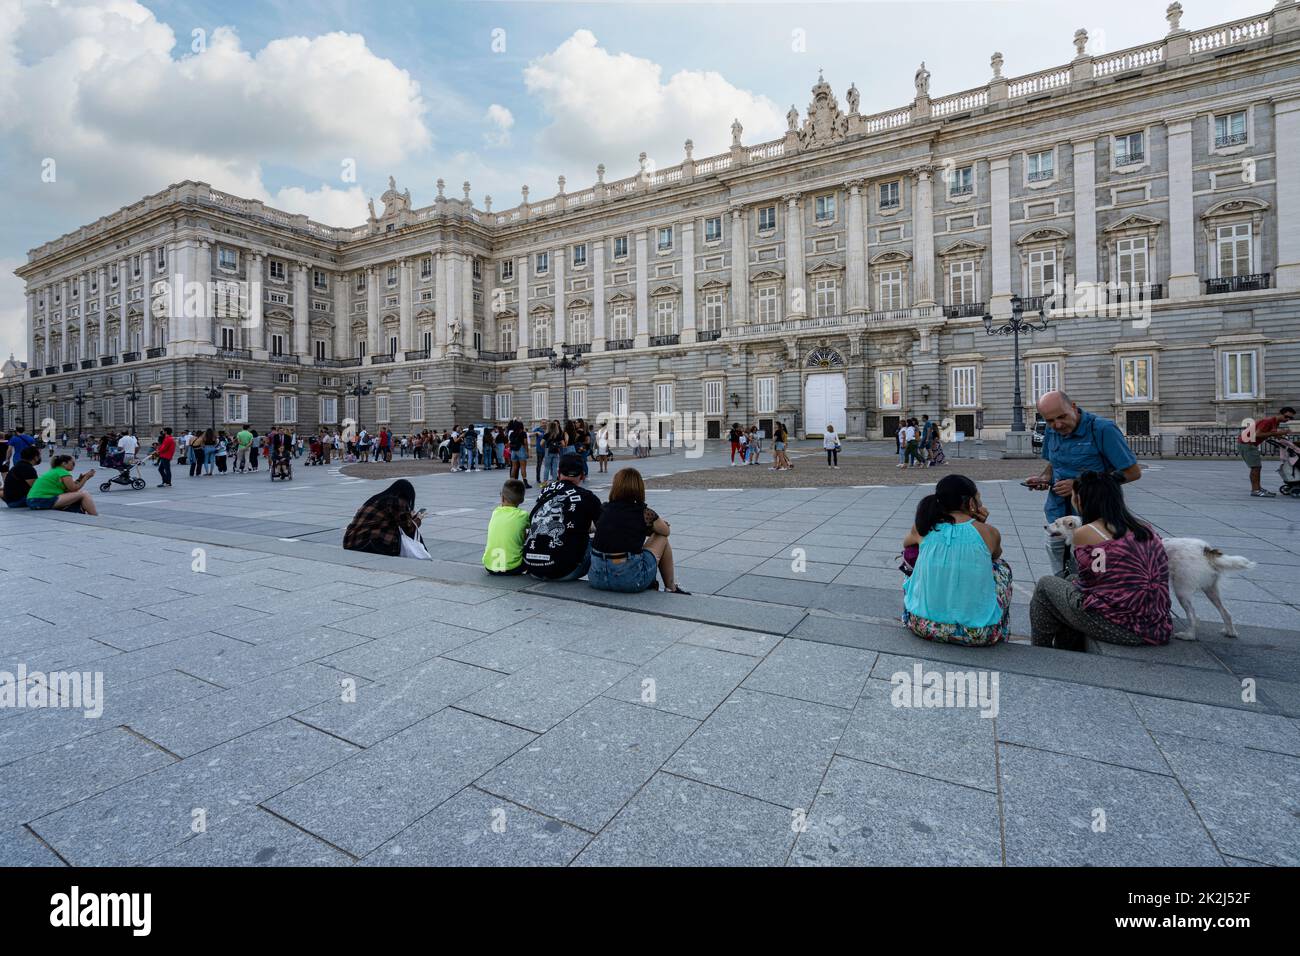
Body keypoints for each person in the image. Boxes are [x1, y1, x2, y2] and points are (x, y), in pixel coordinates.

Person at [1030, 471, 1171, 650]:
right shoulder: (1144, 528)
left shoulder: (1086, 533)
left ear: (1081, 499)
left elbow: (1087, 584)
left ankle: (1040, 650)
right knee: (1067, 581)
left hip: (1121, 626)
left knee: (1045, 585)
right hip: (1156, 623)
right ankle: (1066, 648)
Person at [1026, 390, 1141, 574]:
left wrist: (1080, 485)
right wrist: (1045, 478)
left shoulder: (1103, 429)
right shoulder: (1051, 430)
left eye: (1062, 417)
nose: (1057, 424)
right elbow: (1054, 463)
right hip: (1057, 516)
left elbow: (1133, 472)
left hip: (1095, 517)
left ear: (1073, 407)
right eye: (1050, 421)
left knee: (1091, 572)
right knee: (1059, 568)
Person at [900, 474, 1012, 646]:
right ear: (970, 503)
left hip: (923, 625)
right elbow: (995, 555)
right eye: (978, 499)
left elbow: (907, 545)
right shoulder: (989, 532)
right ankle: (999, 628)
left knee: (914, 554)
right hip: (979, 633)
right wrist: (980, 524)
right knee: (1001, 568)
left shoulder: (924, 527)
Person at [589, 467, 690, 594]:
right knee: (661, 537)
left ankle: (656, 583)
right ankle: (671, 587)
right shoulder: (645, 513)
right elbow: (665, 531)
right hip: (630, 581)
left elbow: (596, 528)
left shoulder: (604, 509)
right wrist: (653, 526)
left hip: (597, 579)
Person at [522, 454, 602, 581]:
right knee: (598, 541)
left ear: (558, 473)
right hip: (564, 570)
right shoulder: (588, 497)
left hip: (532, 566)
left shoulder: (545, 491)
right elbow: (603, 529)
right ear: (582, 475)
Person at [343, 479, 425, 556]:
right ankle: (423, 554)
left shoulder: (377, 498)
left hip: (350, 542)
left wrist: (409, 517)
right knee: (410, 532)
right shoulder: (396, 500)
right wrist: (418, 519)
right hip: (369, 543)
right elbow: (408, 528)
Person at [1237, 405, 1295, 497]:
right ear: (1280, 414)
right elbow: (1257, 434)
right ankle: (1256, 490)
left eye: (1290, 418)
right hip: (1247, 444)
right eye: (1286, 416)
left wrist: (1280, 437)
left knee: (1257, 467)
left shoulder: (1275, 422)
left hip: (1249, 444)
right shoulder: (1268, 421)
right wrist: (1278, 433)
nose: (1287, 419)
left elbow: (1272, 433)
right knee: (1255, 467)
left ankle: (1258, 488)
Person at [24, 454, 98, 515]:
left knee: (78, 494)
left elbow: (68, 489)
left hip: (32, 501)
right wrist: (86, 477)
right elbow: (73, 489)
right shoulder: (63, 472)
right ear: (64, 463)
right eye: (72, 463)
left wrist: (80, 480)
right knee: (84, 494)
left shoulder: (54, 471)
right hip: (42, 500)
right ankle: (94, 516)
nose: (74, 465)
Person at [483, 479, 529, 575]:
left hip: (490, 566)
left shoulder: (495, 512)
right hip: (514, 567)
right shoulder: (523, 515)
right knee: (527, 532)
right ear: (522, 500)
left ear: (502, 498)